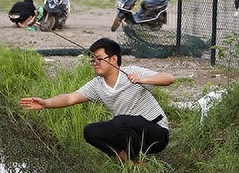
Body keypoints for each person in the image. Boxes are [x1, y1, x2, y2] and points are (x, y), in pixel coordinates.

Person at [19, 38, 175, 164]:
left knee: (120, 121)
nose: (95, 64)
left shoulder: (132, 73)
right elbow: (70, 97)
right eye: (92, 60)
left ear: (113, 59)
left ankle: (133, 159)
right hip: (129, 131)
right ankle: (131, 162)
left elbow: (169, 78)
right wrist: (46, 103)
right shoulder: (97, 85)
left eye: (99, 59)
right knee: (90, 131)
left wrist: (143, 80)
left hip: (157, 132)